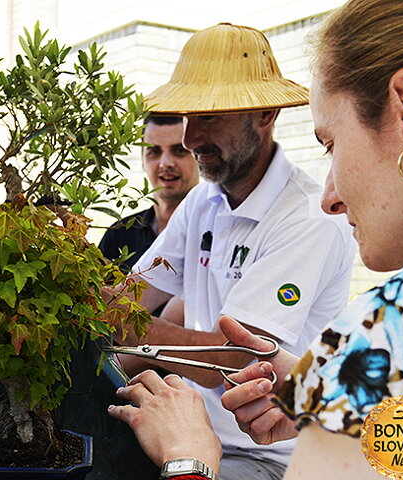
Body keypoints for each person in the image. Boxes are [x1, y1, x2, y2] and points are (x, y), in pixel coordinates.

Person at [108, 1, 403, 479]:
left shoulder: (394, 324)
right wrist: (321, 394)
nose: (330, 198)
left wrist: (188, 461)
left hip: (254, 458)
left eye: (331, 145)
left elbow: (230, 355)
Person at [106, 22, 356, 480]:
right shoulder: (205, 200)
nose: (189, 138)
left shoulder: (308, 217)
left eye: (209, 116)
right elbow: (130, 298)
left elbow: (240, 358)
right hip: (196, 432)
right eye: (187, 116)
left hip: (267, 456)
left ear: (266, 114)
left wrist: (132, 334)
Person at [99, 115, 200, 273]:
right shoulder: (119, 234)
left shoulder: (216, 232)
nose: (165, 163)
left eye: (179, 151)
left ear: (199, 157)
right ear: (142, 160)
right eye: (154, 151)